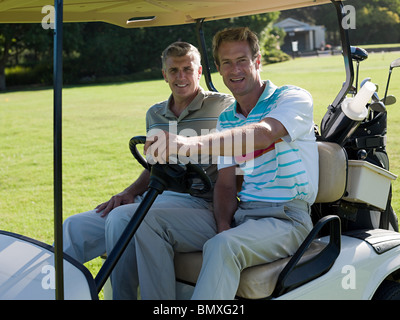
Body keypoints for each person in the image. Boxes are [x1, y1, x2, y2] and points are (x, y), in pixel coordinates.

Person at [143, 27, 319, 299]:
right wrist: (223, 224)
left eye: (242, 61)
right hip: (244, 216)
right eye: (227, 62)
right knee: (148, 221)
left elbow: (263, 134)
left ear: (257, 61)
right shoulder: (226, 119)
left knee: (223, 246)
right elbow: (225, 185)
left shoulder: (291, 98)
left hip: (287, 218)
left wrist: (189, 144)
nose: (235, 69)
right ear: (218, 68)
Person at [62, 41, 234, 299]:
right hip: (158, 196)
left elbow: (238, 155)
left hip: (200, 203)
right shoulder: (156, 113)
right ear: (164, 74)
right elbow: (155, 167)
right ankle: (43, 290)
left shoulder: (222, 106)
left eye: (187, 69)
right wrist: (128, 192)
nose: (181, 76)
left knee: (122, 219)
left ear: (199, 72)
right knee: (74, 226)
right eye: (173, 70)